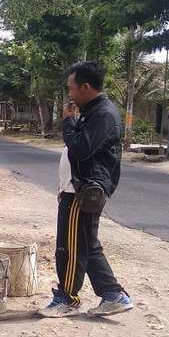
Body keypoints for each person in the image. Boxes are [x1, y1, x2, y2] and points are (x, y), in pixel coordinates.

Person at [39, 61, 133, 317]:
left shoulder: (103, 114)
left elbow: (81, 148)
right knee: (86, 244)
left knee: (69, 247)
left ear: (85, 87)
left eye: (71, 88)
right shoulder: (93, 111)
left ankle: (67, 298)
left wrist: (69, 122)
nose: (69, 94)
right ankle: (113, 295)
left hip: (83, 190)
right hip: (79, 188)